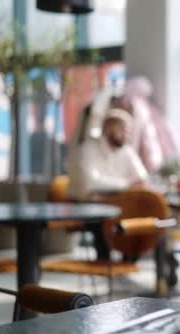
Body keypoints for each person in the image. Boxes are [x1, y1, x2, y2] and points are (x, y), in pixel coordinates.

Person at [67, 108, 148, 259]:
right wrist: (126, 185)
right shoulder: (88, 148)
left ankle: (129, 261)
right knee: (102, 220)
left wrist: (113, 188)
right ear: (108, 128)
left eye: (129, 131)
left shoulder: (127, 151)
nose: (127, 134)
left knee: (140, 217)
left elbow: (141, 179)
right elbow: (92, 183)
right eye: (123, 129)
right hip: (87, 206)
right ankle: (104, 263)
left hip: (118, 204)